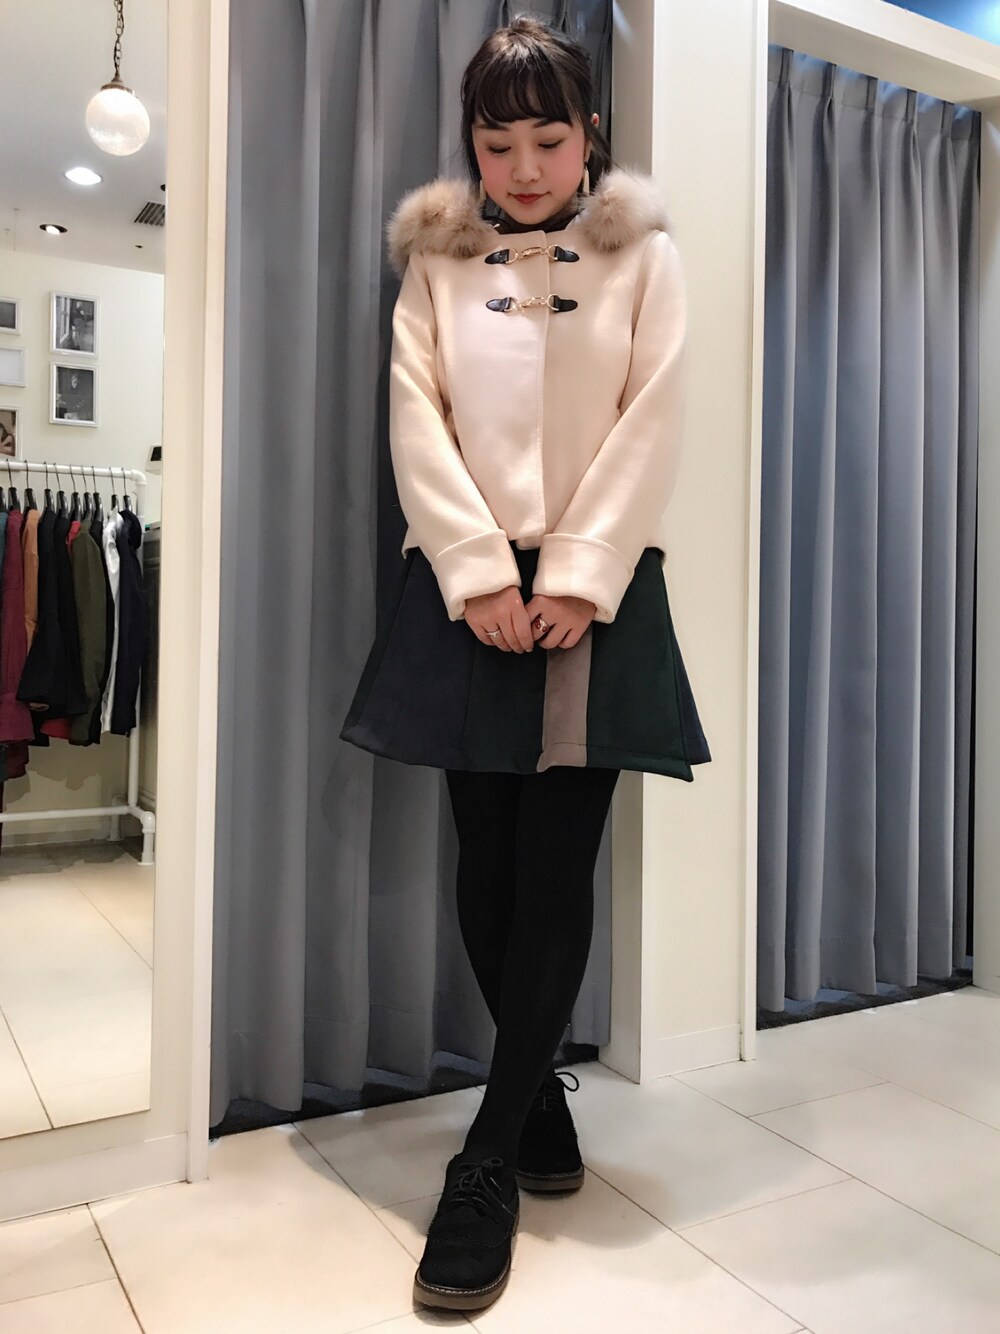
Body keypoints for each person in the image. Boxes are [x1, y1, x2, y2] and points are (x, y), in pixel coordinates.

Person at [339, 14, 711, 1314]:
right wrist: (478, 569)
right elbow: (416, 416)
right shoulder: (438, 263)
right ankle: (536, 1095)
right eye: (500, 145)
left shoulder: (643, 257)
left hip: (592, 604)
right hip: (468, 597)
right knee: (486, 865)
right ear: (474, 147)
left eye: (550, 138)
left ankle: (487, 1156)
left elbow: (653, 414)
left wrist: (578, 572)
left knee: (557, 867)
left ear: (589, 134)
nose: (527, 167)